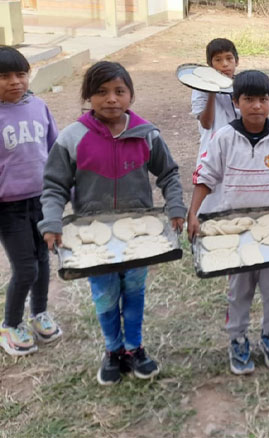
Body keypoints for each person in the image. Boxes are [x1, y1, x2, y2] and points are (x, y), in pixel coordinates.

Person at [38, 61, 186, 385]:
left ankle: (134, 348)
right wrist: (51, 221)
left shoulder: (147, 134)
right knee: (105, 295)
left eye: (119, 91)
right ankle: (112, 350)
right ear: (88, 96)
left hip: (139, 237)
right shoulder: (72, 138)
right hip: (92, 239)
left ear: (130, 95)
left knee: (134, 290)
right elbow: (54, 186)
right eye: (101, 92)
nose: (111, 99)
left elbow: (170, 174)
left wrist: (175, 206)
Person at [188, 69, 269, 375]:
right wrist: (193, 212)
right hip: (235, 228)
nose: (256, 106)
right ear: (236, 102)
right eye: (249, 99)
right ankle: (238, 339)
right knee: (238, 291)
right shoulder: (223, 137)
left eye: (263, 99)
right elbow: (205, 176)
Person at [0, 46, 61, 356]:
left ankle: (39, 314)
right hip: (8, 207)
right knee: (25, 269)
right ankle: (10, 325)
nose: (15, 81)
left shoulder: (38, 106)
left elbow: (55, 150)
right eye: (4, 76)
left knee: (43, 260)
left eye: (21, 74)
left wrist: (65, 191)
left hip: (42, 199)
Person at [191, 38, 240, 213]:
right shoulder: (199, 88)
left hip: (238, 150)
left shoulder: (241, 85)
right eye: (218, 60)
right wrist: (212, 92)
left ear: (236, 61)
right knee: (211, 197)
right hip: (211, 150)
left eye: (229, 58)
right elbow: (206, 122)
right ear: (210, 65)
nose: (224, 64)